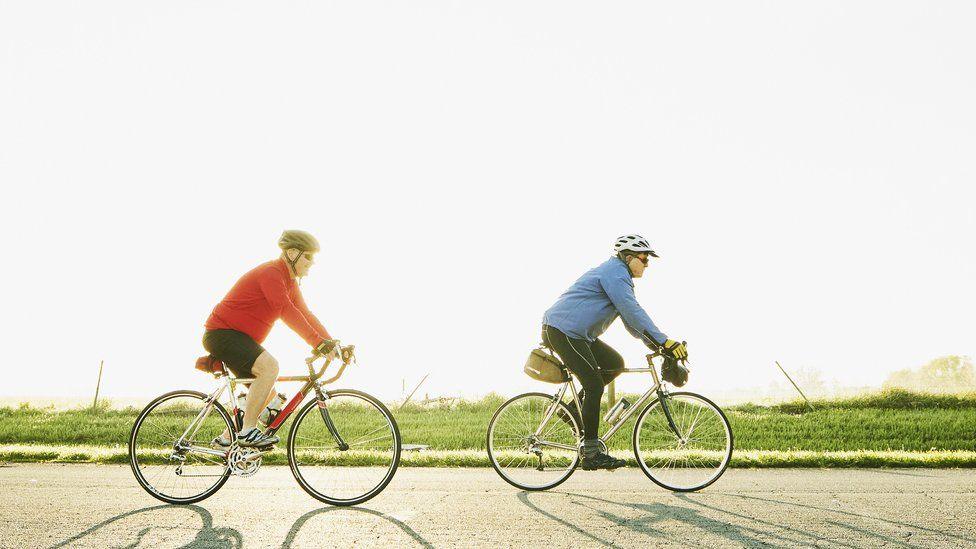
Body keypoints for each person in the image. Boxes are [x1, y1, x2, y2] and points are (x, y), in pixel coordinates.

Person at [542, 234, 688, 470]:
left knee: (614, 363)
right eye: (644, 259)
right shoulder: (615, 273)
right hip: (563, 331)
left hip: (577, 335)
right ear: (629, 257)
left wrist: (658, 346)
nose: (647, 264)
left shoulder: (619, 275)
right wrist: (664, 341)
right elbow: (632, 311)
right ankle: (590, 453)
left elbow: (631, 323)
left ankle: (571, 410)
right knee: (594, 385)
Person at [203, 230, 338, 448]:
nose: (312, 263)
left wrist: (331, 342)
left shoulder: (290, 283)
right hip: (222, 334)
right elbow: (285, 311)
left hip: (239, 338)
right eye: (308, 257)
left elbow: (305, 313)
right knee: (270, 367)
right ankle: (247, 432)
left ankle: (226, 442)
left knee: (266, 397)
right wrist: (317, 343)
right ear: (292, 252)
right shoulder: (272, 273)